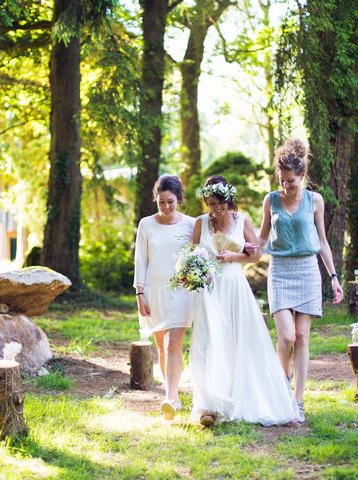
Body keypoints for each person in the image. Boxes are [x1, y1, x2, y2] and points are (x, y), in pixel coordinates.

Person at [190, 175, 298, 427]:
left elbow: (256, 256)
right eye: (210, 204)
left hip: (235, 288)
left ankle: (247, 399)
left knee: (241, 341)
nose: (215, 210)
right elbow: (191, 254)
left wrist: (234, 256)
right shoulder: (200, 223)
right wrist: (195, 271)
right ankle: (210, 404)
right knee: (209, 342)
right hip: (209, 290)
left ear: (229, 201)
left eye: (220, 204)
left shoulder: (242, 221)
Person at [255, 138, 344, 424]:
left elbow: (323, 241)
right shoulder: (270, 200)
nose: (285, 187)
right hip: (280, 270)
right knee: (287, 336)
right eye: (281, 181)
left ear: (303, 177)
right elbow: (262, 238)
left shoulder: (314, 201)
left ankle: (298, 400)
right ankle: (284, 377)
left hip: (307, 270)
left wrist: (333, 277)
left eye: (291, 182)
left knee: (302, 337)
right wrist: (241, 246)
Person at [133, 175, 195, 420]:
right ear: (155, 200)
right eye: (162, 202)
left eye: (171, 201)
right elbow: (141, 260)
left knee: (173, 344)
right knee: (161, 347)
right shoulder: (146, 224)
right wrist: (140, 293)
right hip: (154, 292)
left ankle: (171, 397)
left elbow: (198, 255)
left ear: (179, 199)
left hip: (181, 293)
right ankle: (172, 392)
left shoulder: (191, 224)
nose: (167, 207)